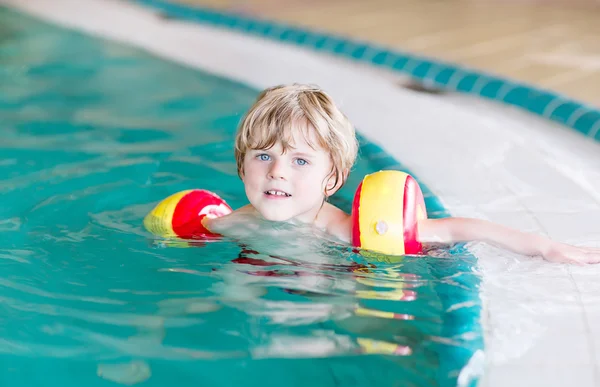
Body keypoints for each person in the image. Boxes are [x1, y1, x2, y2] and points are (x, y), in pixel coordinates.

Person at [202, 83, 600, 265]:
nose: (278, 173)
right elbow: (201, 224)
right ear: (241, 164)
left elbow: (457, 230)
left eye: (300, 161)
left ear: (333, 180)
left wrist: (548, 248)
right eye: (263, 157)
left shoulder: (349, 232)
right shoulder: (234, 224)